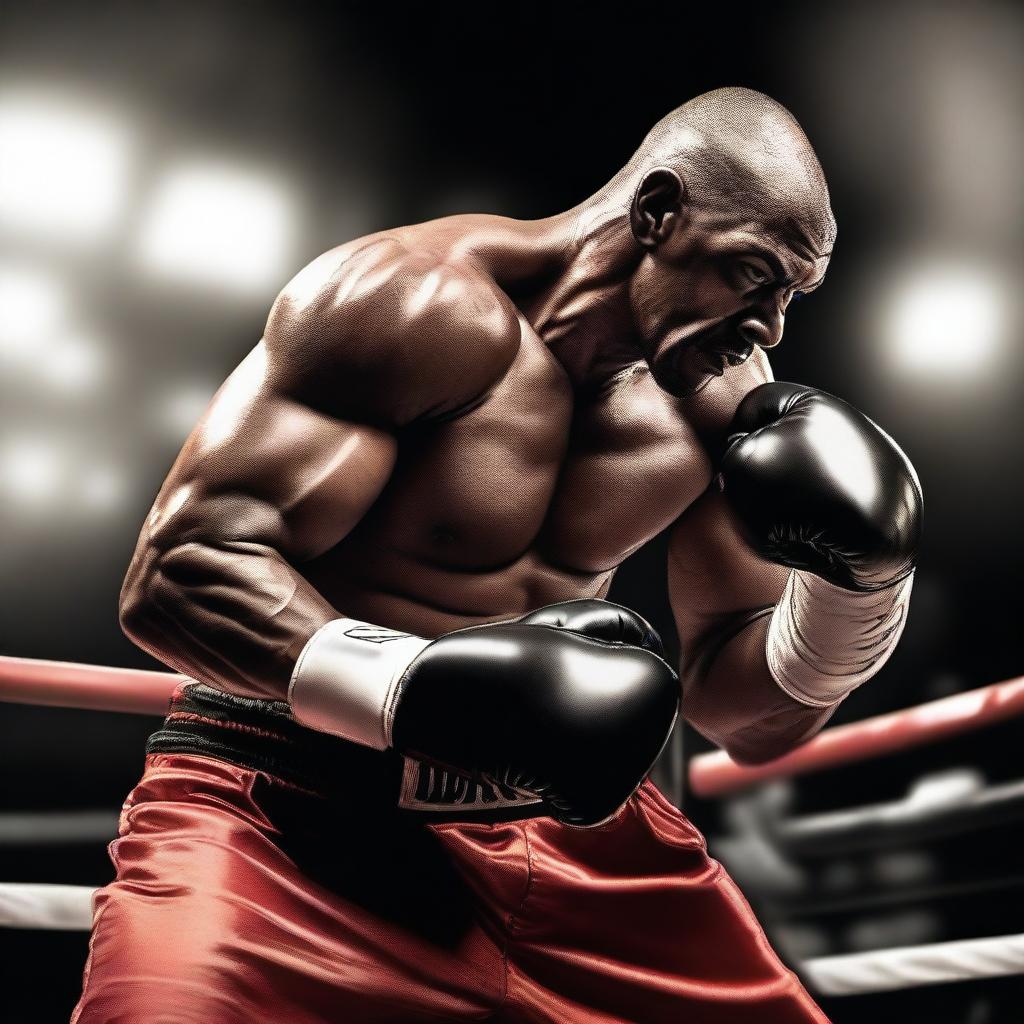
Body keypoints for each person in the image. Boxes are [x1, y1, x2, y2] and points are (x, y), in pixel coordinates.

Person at [73, 87, 920, 1022]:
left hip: (564, 842)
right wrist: (413, 689)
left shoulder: (722, 398)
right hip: (282, 809)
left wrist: (860, 593)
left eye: (793, 295)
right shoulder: (409, 303)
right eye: (752, 275)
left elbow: (744, 716)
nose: (771, 328)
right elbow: (177, 572)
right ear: (657, 211)